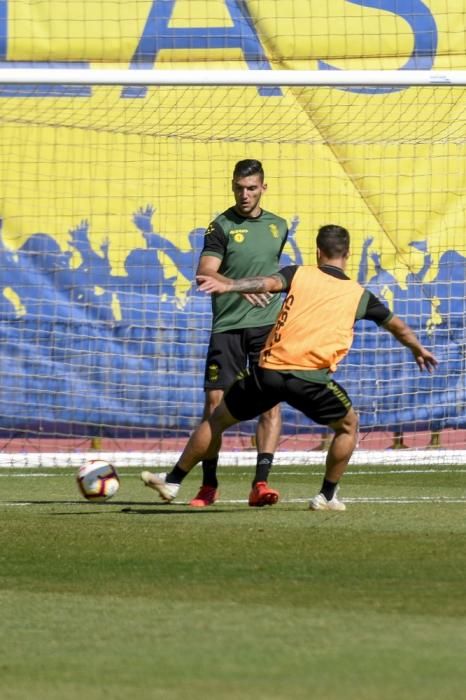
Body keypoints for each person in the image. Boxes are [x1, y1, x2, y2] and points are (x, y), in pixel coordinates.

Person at [141, 224, 438, 510]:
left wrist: (230, 284)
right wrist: (417, 349)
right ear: (347, 254)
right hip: (308, 378)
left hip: (267, 371)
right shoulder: (359, 294)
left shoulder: (298, 273)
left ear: (318, 251)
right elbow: (397, 326)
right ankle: (326, 496)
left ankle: (173, 480)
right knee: (348, 426)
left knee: (216, 420)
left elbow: (266, 283)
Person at [187, 159, 289, 508]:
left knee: (270, 404)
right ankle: (208, 485)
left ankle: (260, 483)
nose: (244, 195)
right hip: (228, 327)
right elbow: (205, 274)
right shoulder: (221, 226)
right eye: (238, 188)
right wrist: (236, 286)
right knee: (215, 406)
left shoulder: (279, 226)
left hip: (267, 327)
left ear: (263, 187)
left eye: (251, 188)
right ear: (232, 187)